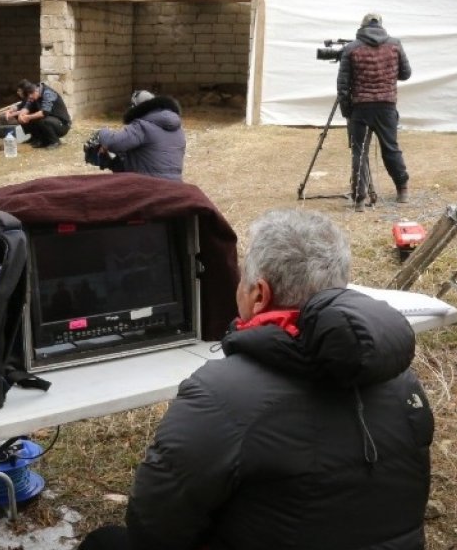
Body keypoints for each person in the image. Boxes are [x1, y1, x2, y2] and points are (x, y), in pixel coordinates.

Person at [77, 208, 433, 550]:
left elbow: (154, 530)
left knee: (104, 543)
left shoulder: (221, 394)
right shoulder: (399, 376)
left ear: (259, 295)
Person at [336, 13, 412, 204]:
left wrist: (347, 111)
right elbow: (406, 73)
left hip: (360, 107)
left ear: (361, 26)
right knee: (391, 148)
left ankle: (359, 198)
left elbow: (343, 85)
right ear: (381, 25)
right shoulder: (395, 44)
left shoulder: (351, 48)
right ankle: (402, 189)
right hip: (386, 105)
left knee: (359, 152)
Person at [95, 89, 186, 181]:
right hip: (175, 186)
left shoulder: (141, 126)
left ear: (136, 108)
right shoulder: (178, 130)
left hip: (151, 187)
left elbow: (113, 143)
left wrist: (102, 132)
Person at [6, 79, 70, 149]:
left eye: (31, 95)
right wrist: (21, 116)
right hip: (49, 119)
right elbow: (27, 107)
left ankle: (54, 141)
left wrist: (27, 117)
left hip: (61, 124)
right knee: (29, 116)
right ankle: (39, 140)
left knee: (43, 119)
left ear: (36, 91)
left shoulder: (48, 93)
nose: (30, 97)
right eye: (28, 96)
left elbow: (44, 112)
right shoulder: (33, 92)